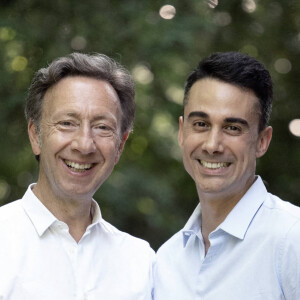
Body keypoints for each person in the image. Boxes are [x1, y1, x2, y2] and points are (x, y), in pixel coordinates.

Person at [0, 52, 154, 299]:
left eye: (102, 127)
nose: (84, 145)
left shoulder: (142, 263)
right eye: (67, 123)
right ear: (35, 136)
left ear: (120, 146)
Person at [154, 51, 300, 299]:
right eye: (201, 124)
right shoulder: (166, 260)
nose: (212, 145)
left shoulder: (291, 238)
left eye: (232, 128)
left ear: (262, 142)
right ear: (182, 132)